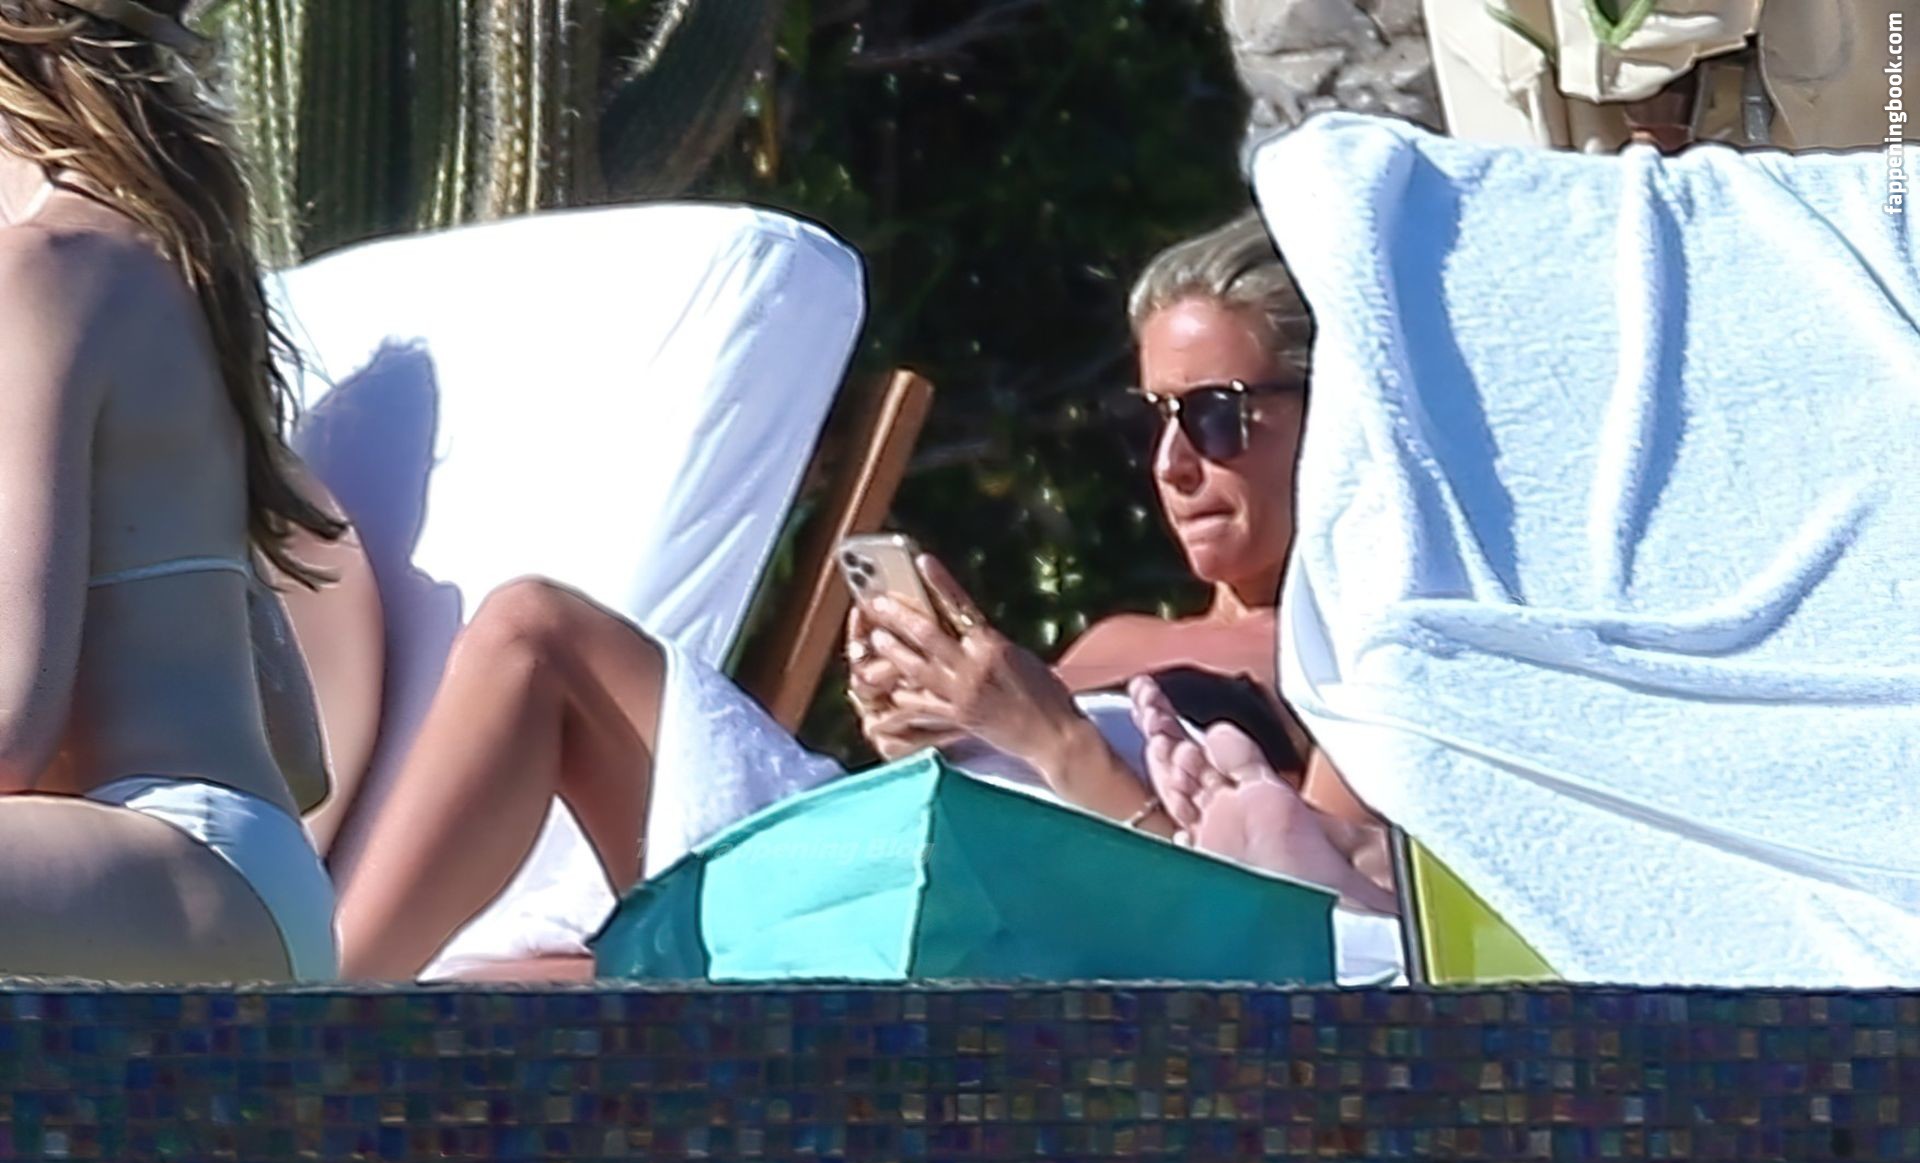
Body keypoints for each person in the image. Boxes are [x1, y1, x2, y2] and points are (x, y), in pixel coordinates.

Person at [327, 210, 1365, 980]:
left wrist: (1054, 740)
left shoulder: (1355, 666)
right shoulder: (1120, 635)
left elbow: (1324, 944)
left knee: (538, 634)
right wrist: (929, 727)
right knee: (484, 980)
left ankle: (284, 1021)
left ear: (1335, 410)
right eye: (1155, 420)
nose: (1174, 463)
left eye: (1218, 415)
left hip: (950, 938)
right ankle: (293, 1031)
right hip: (870, 876)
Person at [0, 0, 346, 980]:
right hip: (244, 878)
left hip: (171, 862)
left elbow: (10, 724)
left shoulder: (40, 273)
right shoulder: (169, 264)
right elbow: (300, 758)